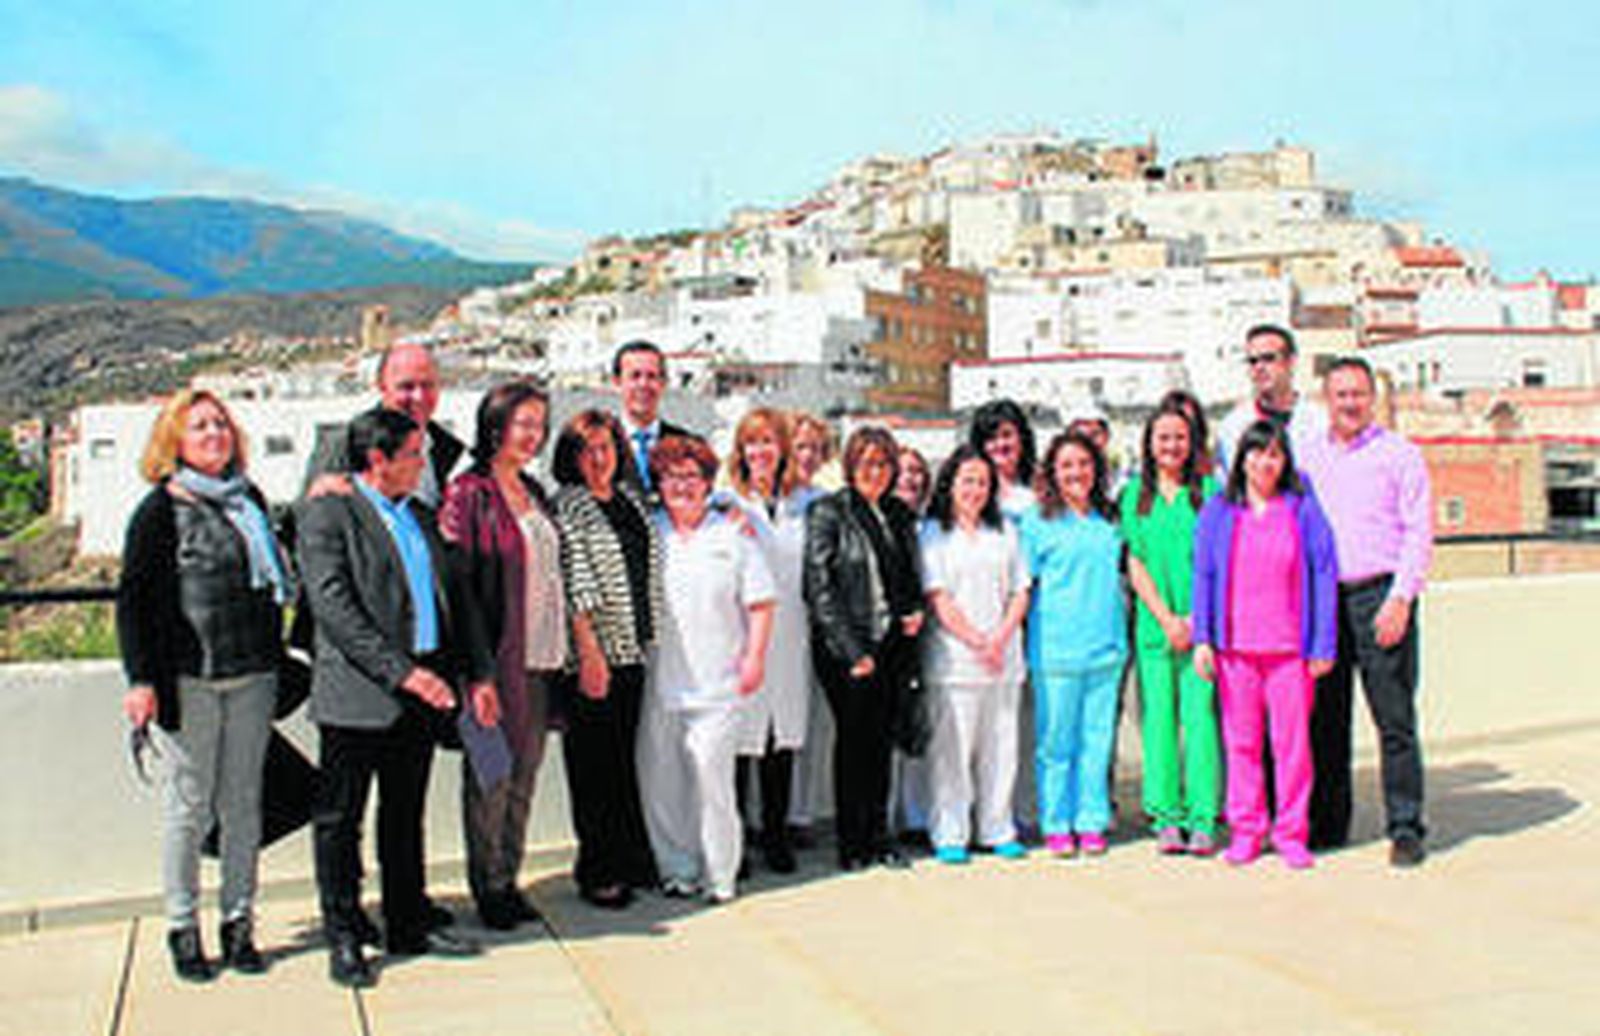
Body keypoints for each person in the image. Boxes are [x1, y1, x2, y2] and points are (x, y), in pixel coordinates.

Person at [296, 408, 497, 988]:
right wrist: (403, 673)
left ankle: (407, 920)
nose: (422, 463)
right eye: (413, 454)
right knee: (341, 819)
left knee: (404, 814)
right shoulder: (329, 514)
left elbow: (457, 599)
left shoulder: (421, 518)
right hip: (361, 691)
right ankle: (344, 932)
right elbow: (334, 607)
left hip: (424, 689)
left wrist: (478, 675)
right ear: (377, 459)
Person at [117, 390, 292, 981]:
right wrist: (142, 679)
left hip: (253, 675)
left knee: (243, 806)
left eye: (221, 423)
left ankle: (239, 922)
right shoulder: (159, 511)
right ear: (175, 441)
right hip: (189, 681)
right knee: (188, 809)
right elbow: (134, 601)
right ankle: (182, 925)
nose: (214, 433)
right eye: (199, 426)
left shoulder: (250, 501)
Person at [1298, 357, 1434, 867]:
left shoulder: (1400, 455)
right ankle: (1328, 824)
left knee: (1394, 720)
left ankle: (1406, 826)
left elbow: (1419, 531)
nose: (1350, 403)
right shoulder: (1307, 458)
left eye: (1358, 393)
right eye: (1341, 394)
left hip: (1381, 597)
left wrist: (1401, 597)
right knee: (1326, 721)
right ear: (1326, 400)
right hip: (1325, 601)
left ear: (1371, 397)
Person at [438, 380, 563, 930]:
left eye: (540, 424)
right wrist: (477, 673)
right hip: (490, 663)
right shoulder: (469, 493)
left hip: (539, 660)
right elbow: (458, 589)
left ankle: (508, 878)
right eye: (523, 423)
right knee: (491, 775)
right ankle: (487, 886)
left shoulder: (534, 490)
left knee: (525, 776)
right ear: (496, 426)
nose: (533, 435)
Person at [1192, 420, 1338, 869]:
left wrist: (1323, 644)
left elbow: (1323, 571)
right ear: (1242, 459)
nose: (1265, 462)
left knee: (1291, 748)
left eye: (1274, 454)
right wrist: (1203, 639)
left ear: (1285, 460)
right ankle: (1247, 831)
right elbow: (1204, 575)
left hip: (1290, 651)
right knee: (1241, 745)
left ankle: (1291, 832)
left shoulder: (1302, 507)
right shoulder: (1219, 510)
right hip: (1236, 650)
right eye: (1257, 453)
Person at [639, 435, 776, 903]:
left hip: (719, 683)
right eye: (671, 476)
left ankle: (720, 874)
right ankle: (677, 869)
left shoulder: (733, 534)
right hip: (662, 680)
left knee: (713, 782)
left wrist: (754, 657)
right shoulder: (650, 532)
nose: (682, 485)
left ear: (707, 483)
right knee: (663, 782)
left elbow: (761, 603)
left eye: (691, 476)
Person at [551, 410, 663, 909]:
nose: (599, 458)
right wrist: (589, 652)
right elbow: (574, 582)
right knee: (592, 769)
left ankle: (628, 858)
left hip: (632, 651)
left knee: (621, 763)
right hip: (594, 655)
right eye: (587, 450)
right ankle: (597, 870)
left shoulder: (629, 502)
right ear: (571, 458)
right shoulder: (569, 506)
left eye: (606, 447)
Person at [804, 426, 926, 872]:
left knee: (882, 743)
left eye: (884, 463)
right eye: (867, 463)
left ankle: (880, 836)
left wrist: (914, 610)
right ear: (851, 466)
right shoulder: (829, 512)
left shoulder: (897, 512)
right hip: (847, 649)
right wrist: (853, 651)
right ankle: (852, 842)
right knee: (854, 743)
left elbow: (908, 572)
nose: (876, 472)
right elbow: (819, 588)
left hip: (892, 643)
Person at [919, 446, 1031, 865]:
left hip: (1003, 658)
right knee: (953, 752)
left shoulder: (1005, 531)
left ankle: (997, 828)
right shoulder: (933, 533)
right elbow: (938, 597)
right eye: (967, 480)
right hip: (955, 662)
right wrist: (976, 640)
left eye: (983, 482)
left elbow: (1021, 590)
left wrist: (999, 637)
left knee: (1001, 749)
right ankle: (950, 831)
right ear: (950, 484)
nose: (975, 490)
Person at [1121, 400, 1223, 856]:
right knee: (1158, 723)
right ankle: (1166, 817)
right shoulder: (1134, 495)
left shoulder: (1210, 492)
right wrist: (1166, 619)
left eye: (1180, 437)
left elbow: (1218, 562)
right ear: (1149, 443)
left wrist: (1197, 622)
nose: (1172, 445)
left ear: (1193, 442)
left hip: (1201, 629)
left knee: (1201, 721)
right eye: (1163, 437)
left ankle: (1203, 817)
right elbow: (1135, 563)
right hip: (1155, 629)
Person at [1019, 430, 1127, 858]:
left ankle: (1091, 820)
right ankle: (1057, 822)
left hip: (1106, 648)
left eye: (1083, 464)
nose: (1076, 472)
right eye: (1066, 465)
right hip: (1056, 651)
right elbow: (1023, 588)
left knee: (1097, 742)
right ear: (1052, 472)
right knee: (1056, 744)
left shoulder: (1110, 519)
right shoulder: (1035, 522)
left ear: (1096, 469)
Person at [726, 408, 822, 874]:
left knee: (781, 739)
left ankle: (776, 833)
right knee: (741, 741)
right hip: (742, 636)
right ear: (741, 451)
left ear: (783, 448)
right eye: (752, 442)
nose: (761, 451)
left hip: (791, 635)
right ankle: (735, 840)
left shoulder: (807, 504)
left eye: (769, 442)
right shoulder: (726, 503)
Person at [303, 342, 465, 508]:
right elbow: (313, 514)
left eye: (427, 386)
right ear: (381, 386)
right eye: (406, 387)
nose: (418, 397)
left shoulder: (444, 447)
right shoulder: (343, 445)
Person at [785, 411, 839, 841]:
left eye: (815, 449)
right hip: (771, 625)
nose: (807, 456)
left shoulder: (827, 502)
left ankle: (799, 814)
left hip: (815, 626)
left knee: (808, 724)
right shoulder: (761, 499)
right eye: (800, 446)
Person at [890, 444, 933, 845]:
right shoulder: (881, 520)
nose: (910, 478)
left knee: (921, 728)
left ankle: (917, 815)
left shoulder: (934, 525)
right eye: (903, 470)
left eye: (917, 471)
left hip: (930, 638)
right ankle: (888, 817)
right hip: (890, 638)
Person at [1214, 324, 1327, 478]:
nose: (1259, 367)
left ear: (1291, 362)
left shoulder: (1321, 424)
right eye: (1253, 361)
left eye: (1268, 358)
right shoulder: (1233, 428)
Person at [611, 340, 693, 495]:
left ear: (663, 383)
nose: (643, 384)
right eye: (635, 376)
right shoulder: (599, 446)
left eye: (651, 376)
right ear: (617, 382)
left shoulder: (687, 446)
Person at [969, 398, 1038, 522]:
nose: (1000, 444)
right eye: (991, 438)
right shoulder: (972, 488)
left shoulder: (1042, 484)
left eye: (1007, 435)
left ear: (1022, 438)